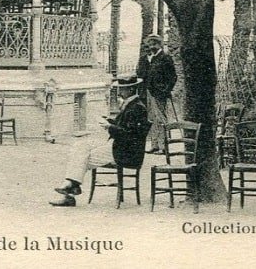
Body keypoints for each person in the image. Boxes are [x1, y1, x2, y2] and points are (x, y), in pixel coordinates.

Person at [50, 75, 149, 207]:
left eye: (122, 89)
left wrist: (110, 127)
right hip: (117, 145)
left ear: (131, 90)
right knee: (81, 145)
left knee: (82, 159)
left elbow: (132, 136)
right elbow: (125, 127)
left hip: (125, 151)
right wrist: (110, 121)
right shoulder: (131, 105)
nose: (119, 92)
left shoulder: (137, 108)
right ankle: (71, 186)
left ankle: (70, 191)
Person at [136, 34, 177, 153]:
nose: (152, 46)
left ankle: (163, 146)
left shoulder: (165, 58)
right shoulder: (150, 59)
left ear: (160, 44)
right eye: (150, 43)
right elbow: (142, 74)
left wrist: (166, 90)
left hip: (159, 93)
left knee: (160, 118)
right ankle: (155, 145)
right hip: (149, 92)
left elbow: (173, 77)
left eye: (154, 43)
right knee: (151, 118)